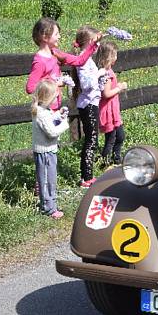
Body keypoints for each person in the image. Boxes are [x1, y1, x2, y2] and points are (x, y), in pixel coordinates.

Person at [25, 17, 101, 111]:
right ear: (44, 36)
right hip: (45, 110)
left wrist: (93, 44)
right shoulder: (40, 61)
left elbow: (79, 61)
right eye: (56, 34)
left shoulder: (55, 53)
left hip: (55, 107)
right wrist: (55, 84)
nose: (59, 37)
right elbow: (30, 88)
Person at [31, 79, 69, 219]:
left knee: (48, 178)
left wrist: (58, 115)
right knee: (47, 180)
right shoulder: (41, 114)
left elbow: (50, 119)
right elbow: (52, 131)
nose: (56, 100)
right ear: (48, 98)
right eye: (55, 97)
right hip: (45, 152)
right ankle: (48, 209)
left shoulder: (43, 110)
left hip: (47, 150)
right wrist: (64, 124)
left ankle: (48, 204)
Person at [74, 25, 106, 188]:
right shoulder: (84, 60)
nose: (98, 46)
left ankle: (88, 174)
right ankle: (86, 177)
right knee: (91, 139)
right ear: (88, 42)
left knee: (92, 138)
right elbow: (86, 84)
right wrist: (99, 74)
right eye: (95, 42)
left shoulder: (88, 60)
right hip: (87, 104)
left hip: (91, 102)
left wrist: (101, 81)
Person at [95, 42, 128, 167]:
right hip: (108, 111)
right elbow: (106, 93)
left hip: (113, 110)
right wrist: (120, 87)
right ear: (108, 57)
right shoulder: (106, 74)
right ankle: (105, 163)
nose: (116, 58)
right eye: (115, 55)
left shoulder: (108, 71)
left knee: (120, 136)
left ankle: (116, 159)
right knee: (111, 138)